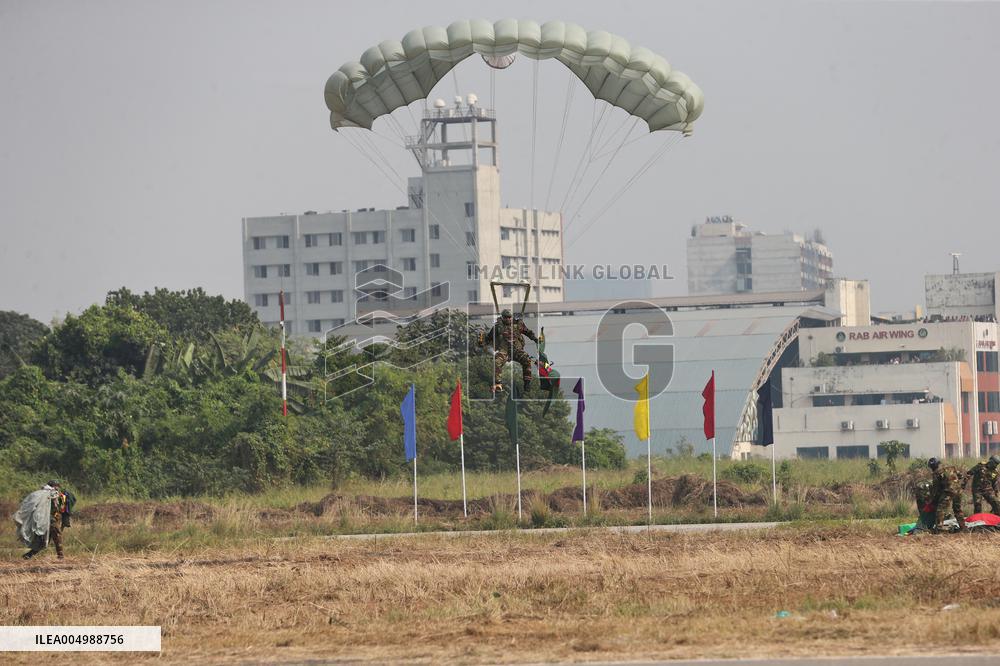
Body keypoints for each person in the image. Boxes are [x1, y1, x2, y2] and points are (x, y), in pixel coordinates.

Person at [480, 309, 538, 393]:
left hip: (517, 350)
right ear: (502, 317)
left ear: (511, 317)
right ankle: (498, 384)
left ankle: (527, 383)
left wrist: (535, 339)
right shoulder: (497, 327)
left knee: (527, 360)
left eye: (509, 317)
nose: (508, 319)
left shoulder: (518, 325)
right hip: (504, 351)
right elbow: (489, 338)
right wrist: (482, 341)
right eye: (506, 317)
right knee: (497, 362)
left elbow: (528, 332)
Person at [20, 480, 67, 560]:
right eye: (57, 486)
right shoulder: (52, 494)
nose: (58, 488)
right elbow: (57, 507)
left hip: (43, 519)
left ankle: (28, 555)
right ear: (54, 486)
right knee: (57, 534)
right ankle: (61, 556)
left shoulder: (42, 493)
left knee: (44, 541)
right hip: (50, 519)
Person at [929, 458, 967, 532]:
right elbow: (960, 476)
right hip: (958, 491)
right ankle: (963, 527)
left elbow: (936, 489)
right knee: (957, 509)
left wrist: (933, 500)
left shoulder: (936, 473)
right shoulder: (951, 467)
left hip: (948, 492)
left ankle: (939, 528)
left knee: (940, 509)